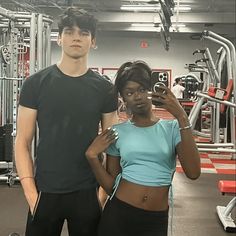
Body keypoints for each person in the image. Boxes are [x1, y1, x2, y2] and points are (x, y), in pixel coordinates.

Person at [15, 7, 118, 236]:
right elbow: (22, 140)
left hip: (87, 191)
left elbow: (114, 145)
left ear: (93, 41)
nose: (76, 37)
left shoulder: (105, 89)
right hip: (45, 191)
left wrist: (102, 193)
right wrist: (31, 194)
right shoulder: (35, 84)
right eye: (70, 32)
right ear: (59, 38)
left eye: (84, 33)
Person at [85, 60, 201, 236]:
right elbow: (111, 187)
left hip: (155, 220)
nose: (137, 96)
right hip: (118, 215)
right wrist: (92, 157)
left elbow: (193, 172)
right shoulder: (117, 132)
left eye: (141, 89)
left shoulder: (172, 129)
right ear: (123, 99)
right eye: (129, 92)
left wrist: (181, 115)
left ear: (151, 91)